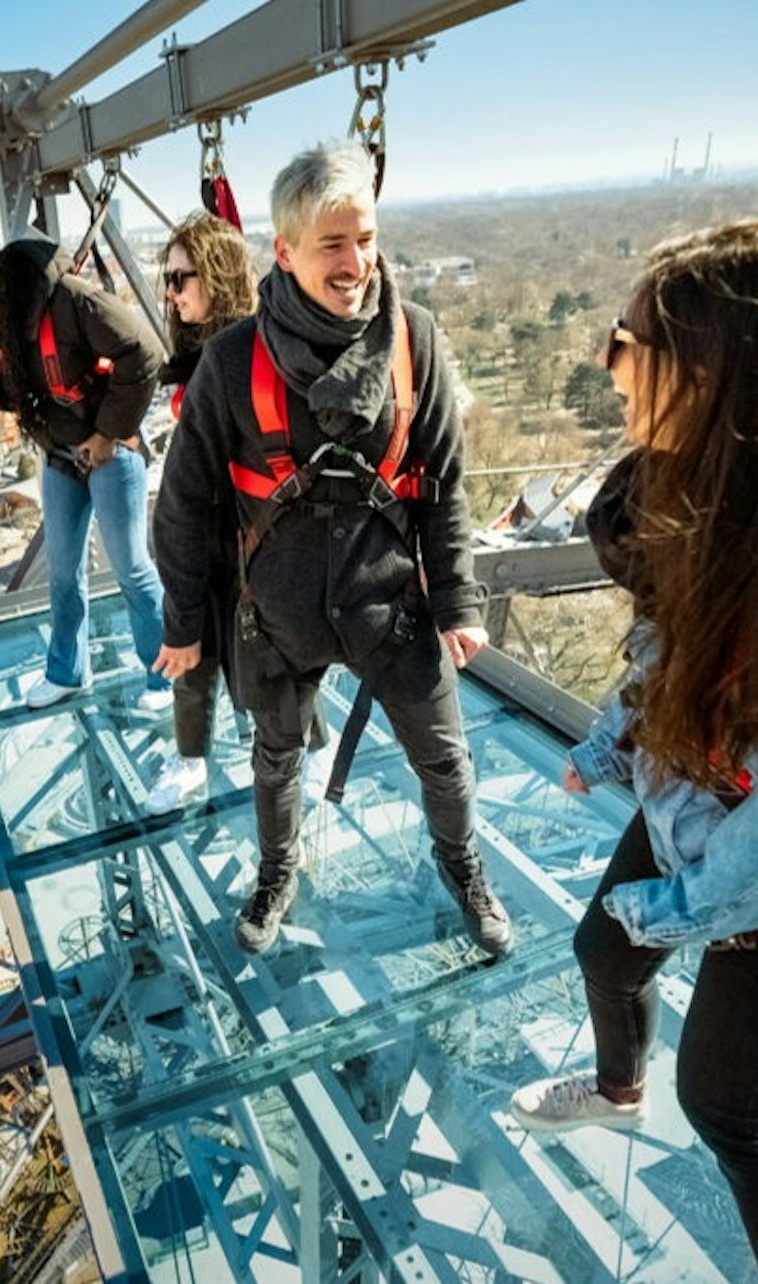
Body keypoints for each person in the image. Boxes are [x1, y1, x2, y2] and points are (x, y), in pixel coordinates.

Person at [153, 142, 514, 958]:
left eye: (367, 239)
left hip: (389, 604)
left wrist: (456, 600)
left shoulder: (412, 341)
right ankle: (278, 871)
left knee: (444, 760)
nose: (358, 263)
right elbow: (180, 506)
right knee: (276, 759)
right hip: (280, 611)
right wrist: (185, 624)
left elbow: (443, 483)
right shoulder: (231, 361)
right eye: (334, 244)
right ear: (284, 251)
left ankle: (464, 869)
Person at [510, 220, 758, 1259]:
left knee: (729, 1105)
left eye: (626, 340)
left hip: (740, 858)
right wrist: (610, 747)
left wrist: (687, 908)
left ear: (706, 372)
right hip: (688, 803)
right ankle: (618, 1091)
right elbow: (664, 665)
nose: (607, 363)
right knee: (603, 952)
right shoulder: (703, 509)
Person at [0, 218, 172, 711]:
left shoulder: (68, 300)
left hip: (110, 451)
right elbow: (19, 395)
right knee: (64, 572)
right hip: (63, 457)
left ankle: (165, 680)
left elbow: (144, 354)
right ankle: (67, 672)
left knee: (131, 567)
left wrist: (107, 433)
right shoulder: (8, 331)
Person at [145, 212, 257, 814]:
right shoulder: (201, 356)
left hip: (246, 535)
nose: (171, 292)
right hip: (207, 533)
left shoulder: (248, 355)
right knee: (192, 652)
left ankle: (299, 750)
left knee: (256, 661)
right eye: (168, 278)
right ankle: (190, 757)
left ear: (216, 275)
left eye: (181, 278)